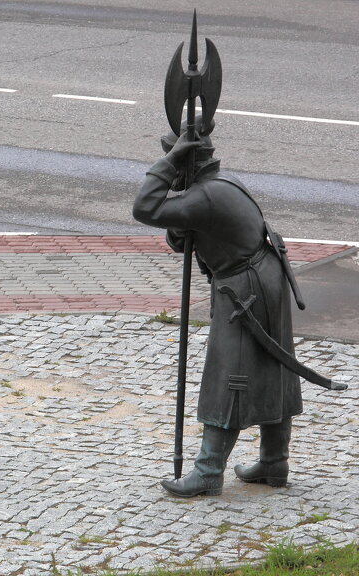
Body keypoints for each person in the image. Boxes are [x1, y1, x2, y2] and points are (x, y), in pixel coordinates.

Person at [133, 120, 302, 497]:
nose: (167, 163)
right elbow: (183, 235)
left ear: (186, 162)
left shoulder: (207, 195)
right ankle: (274, 461)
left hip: (246, 288)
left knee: (229, 375)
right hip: (262, 277)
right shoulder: (218, 185)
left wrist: (168, 165)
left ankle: (208, 470)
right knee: (272, 365)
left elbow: (144, 207)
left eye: (171, 157)